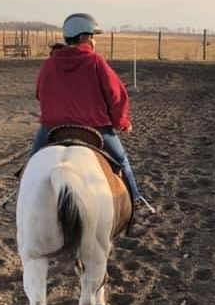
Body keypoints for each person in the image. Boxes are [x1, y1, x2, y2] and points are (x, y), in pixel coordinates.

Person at [29, 12, 140, 210]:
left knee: (32, 164)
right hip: (96, 128)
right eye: (92, 36)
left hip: (53, 127)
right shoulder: (96, 62)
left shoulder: (49, 63)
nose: (93, 41)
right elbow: (116, 96)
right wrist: (122, 123)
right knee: (122, 160)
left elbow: (39, 93)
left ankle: (21, 196)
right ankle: (135, 199)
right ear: (83, 37)